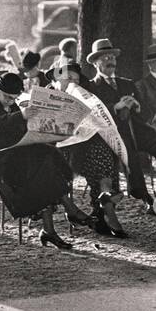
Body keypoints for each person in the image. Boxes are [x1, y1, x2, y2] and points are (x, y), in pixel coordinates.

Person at [0, 72, 75, 250]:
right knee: (40, 165)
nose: (10, 102)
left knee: (46, 156)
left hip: (14, 155)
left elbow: (17, 130)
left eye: (14, 98)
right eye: (6, 97)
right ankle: (67, 209)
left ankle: (51, 228)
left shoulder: (12, 104)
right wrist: (21, 115)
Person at [84, 38, 156, 200]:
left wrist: (138, 107)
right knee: (129, 151)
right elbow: (92, 114)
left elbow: (145, 112)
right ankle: (143, 196)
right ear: (95, 63)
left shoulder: (127, 84)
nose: (110, 61)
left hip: (135, 130)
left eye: (112, 58)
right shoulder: (91, 87)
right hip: (110, 134)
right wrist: (115, 107)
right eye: (104, 58)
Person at [48, 61, 112, 233]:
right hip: (55, 150)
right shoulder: (46, 95)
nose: (71, 83)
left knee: (100, 152)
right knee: (83, 154)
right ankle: (75, 209)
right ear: (56, 78)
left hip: (82, 148)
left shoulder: (83, 98)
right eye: (67, 78)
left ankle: (100, 209)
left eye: (75, 80)